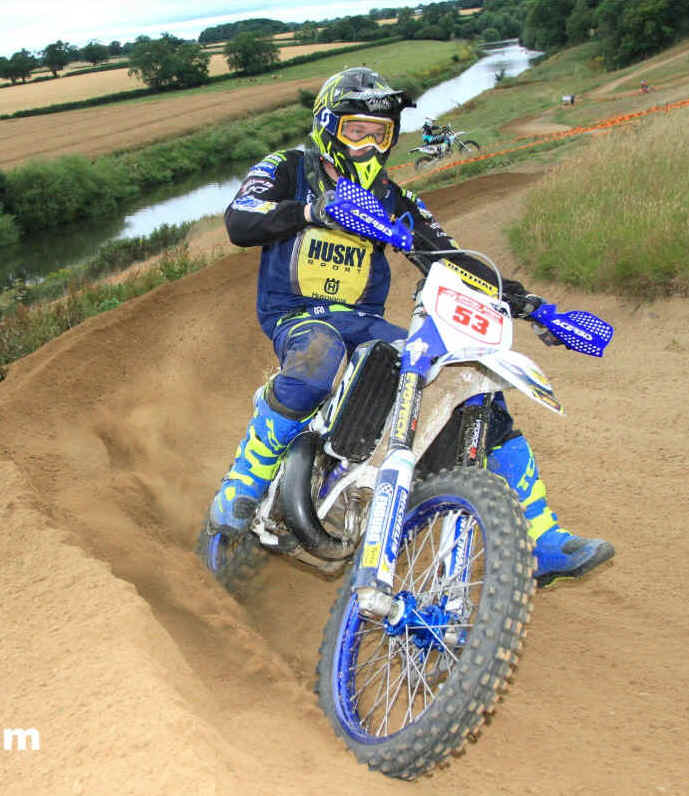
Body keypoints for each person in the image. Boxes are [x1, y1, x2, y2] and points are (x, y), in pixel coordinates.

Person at [206, 67, 614, 587]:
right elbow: (240, 219)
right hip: (297, 314)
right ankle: (245, 481)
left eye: (379, 135)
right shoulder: (289, 167)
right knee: (318, 358)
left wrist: (532, 305)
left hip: (364, 322)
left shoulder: (394, 199)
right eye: (356, 131)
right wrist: (313, 210)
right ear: (328, 127)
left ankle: (541, 539)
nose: (367, 145)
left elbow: (451, 258)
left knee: (470, 384)